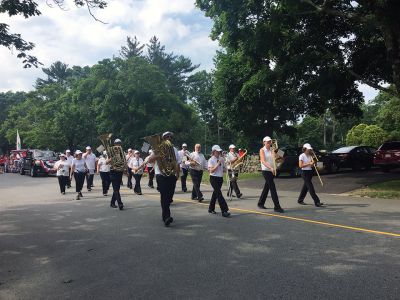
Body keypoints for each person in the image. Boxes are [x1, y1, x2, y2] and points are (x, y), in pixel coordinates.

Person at [147, 131, 180, 227]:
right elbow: (149, 160)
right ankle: (167, 216)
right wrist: (159, 155)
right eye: (167, 137)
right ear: (164, 138)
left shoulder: (174, 149)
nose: (169, 138)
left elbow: (177, 163)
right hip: (160, 174)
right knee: (164, 195)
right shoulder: (158, 148)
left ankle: (165, 214)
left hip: (171, 174)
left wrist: (177, 174)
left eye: (171, 137)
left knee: (169, 196)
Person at [257, 136, 284, 213]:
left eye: (270, 142)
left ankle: (260, 203)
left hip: (273, 170)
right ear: (264, 142)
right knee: (272, 187)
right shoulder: (262, 150)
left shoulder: (273, 149)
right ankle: (277, 206)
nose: (269, 143)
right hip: (266, 170)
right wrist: (270, 168)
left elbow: (282, 156)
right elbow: (263, 161)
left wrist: (278, 151)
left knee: (267, 187)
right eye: (267, 142)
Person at [208, 145, 231, 217]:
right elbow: (211, 171)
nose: (219, 152)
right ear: (213, 151)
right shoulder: (211, 160)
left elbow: (223, 169)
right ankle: (224, 210)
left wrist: (228, 168)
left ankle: (211, 208)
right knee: (219, 195)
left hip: (220, 179)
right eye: (217, 151)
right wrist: (218, 164)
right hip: (213, 178)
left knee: (215, 194)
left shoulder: (221, 158)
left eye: (219, 151)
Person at [108, 138, 126, 210]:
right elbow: (106, 162)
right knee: (116, 189)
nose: (118, 145)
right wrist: (112, 158)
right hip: (113, 171)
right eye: (117, 143)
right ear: (114, 144)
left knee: (116, 189)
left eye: (119, 143)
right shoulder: (110, 152)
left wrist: (125, 170)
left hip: (120, 172)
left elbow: (124, 162)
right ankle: (120, 203)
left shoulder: (122, 152)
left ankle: (112, 202)